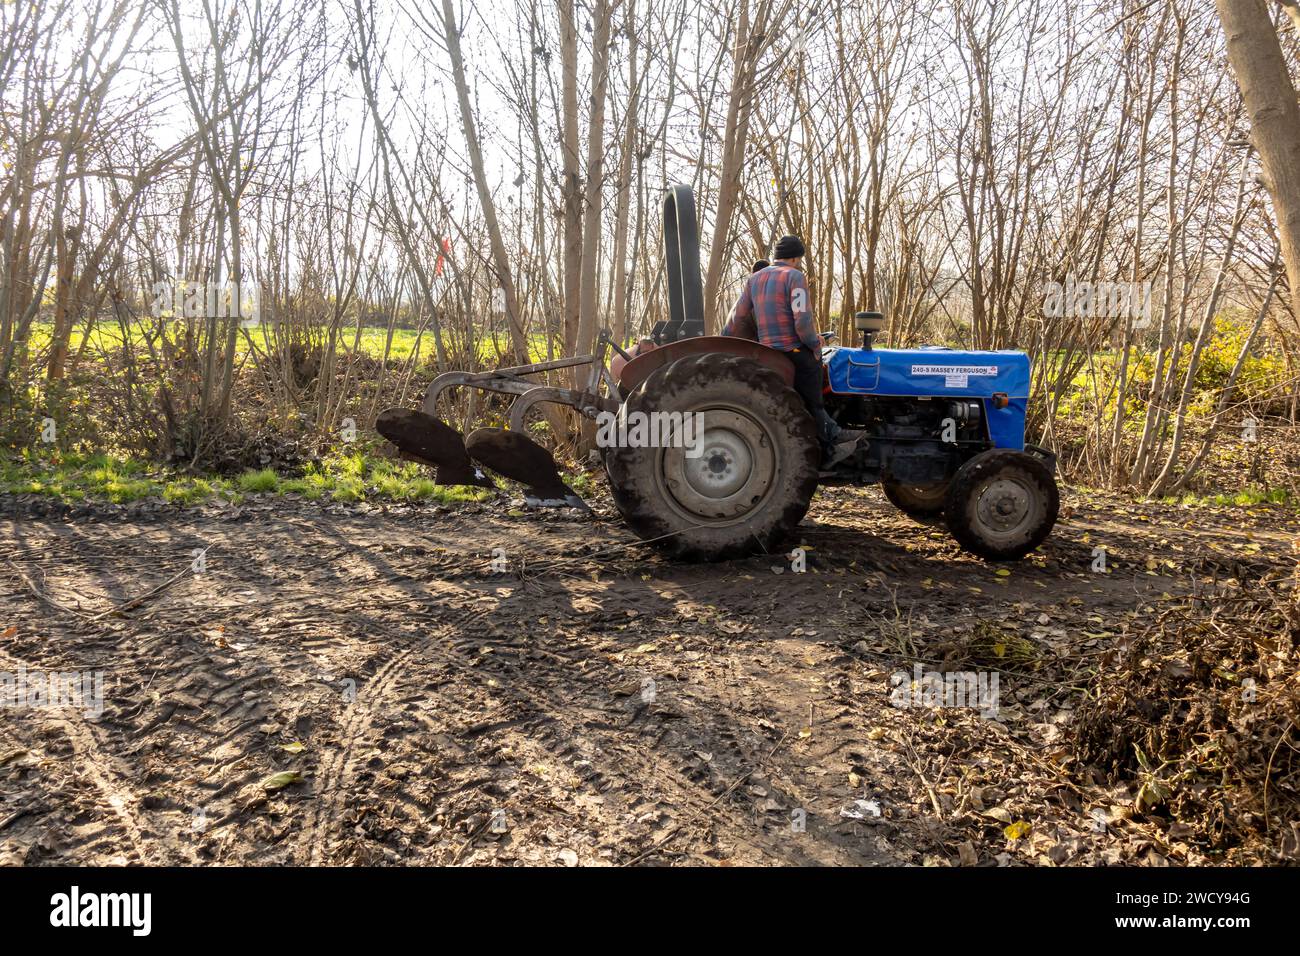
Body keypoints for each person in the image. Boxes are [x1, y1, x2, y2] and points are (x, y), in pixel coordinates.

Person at [722, 236, 860, 459]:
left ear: (776, 256)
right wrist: (815, 343)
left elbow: (736, 316)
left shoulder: (754, 279)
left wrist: (724, 341)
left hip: (766, 352)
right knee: (814, 380)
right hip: (791, 349)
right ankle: (829, 436)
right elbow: (802, 321)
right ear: (796, 258)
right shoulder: (794, 276)